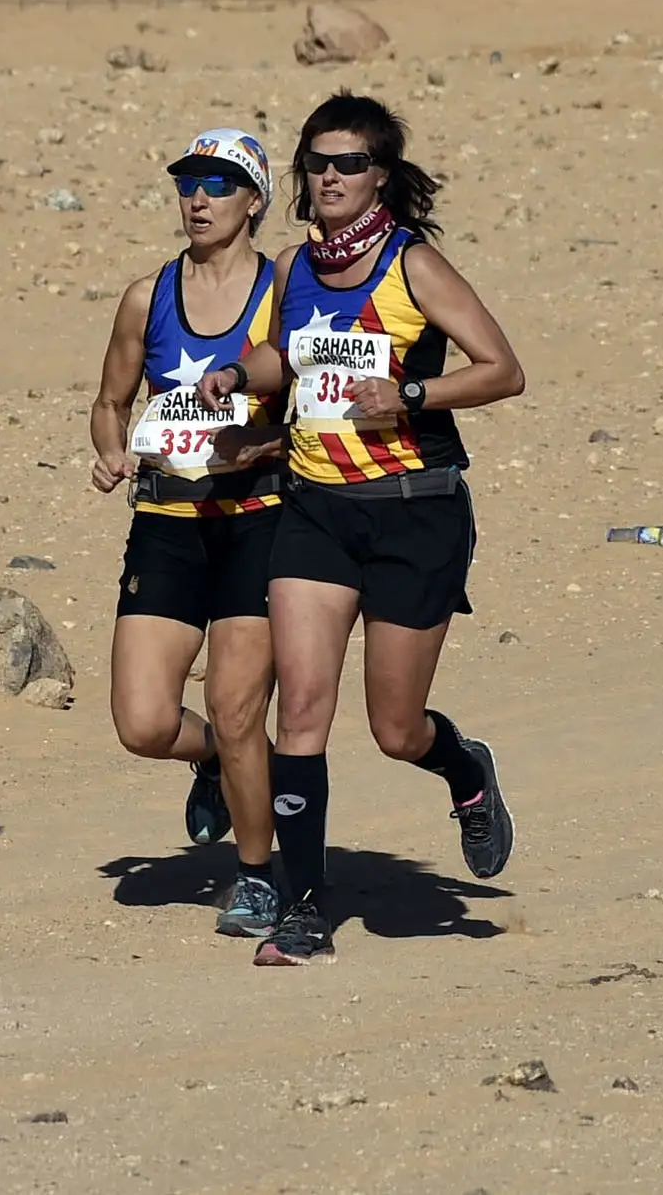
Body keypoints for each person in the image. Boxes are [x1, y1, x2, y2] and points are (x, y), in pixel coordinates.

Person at [198, 92, 525, 967]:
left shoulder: (414, 266)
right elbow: (288, 354)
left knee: (394, 727)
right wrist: (236, 372)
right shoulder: (289, 268)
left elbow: (502, 371)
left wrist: (412, 393)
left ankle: (461, 770)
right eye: (317, 161)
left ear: (379, 175)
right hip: (314, 510)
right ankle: (303, 910)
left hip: (414, 512)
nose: (331, 177)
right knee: (301, 710)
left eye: (348, 163)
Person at [89, 128, 288, 941]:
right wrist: (108, 454)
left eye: (217, 184)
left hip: (259, 523)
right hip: (167, 523)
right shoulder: (148, 294)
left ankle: (256, 873)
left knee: (238, 711)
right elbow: (111, 403)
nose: (198, 199)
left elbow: (320, 407)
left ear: (254, 201)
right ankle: (210, 762)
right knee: (142, 723)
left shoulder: (288, 289)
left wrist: (260, 442)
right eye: (187, 184)